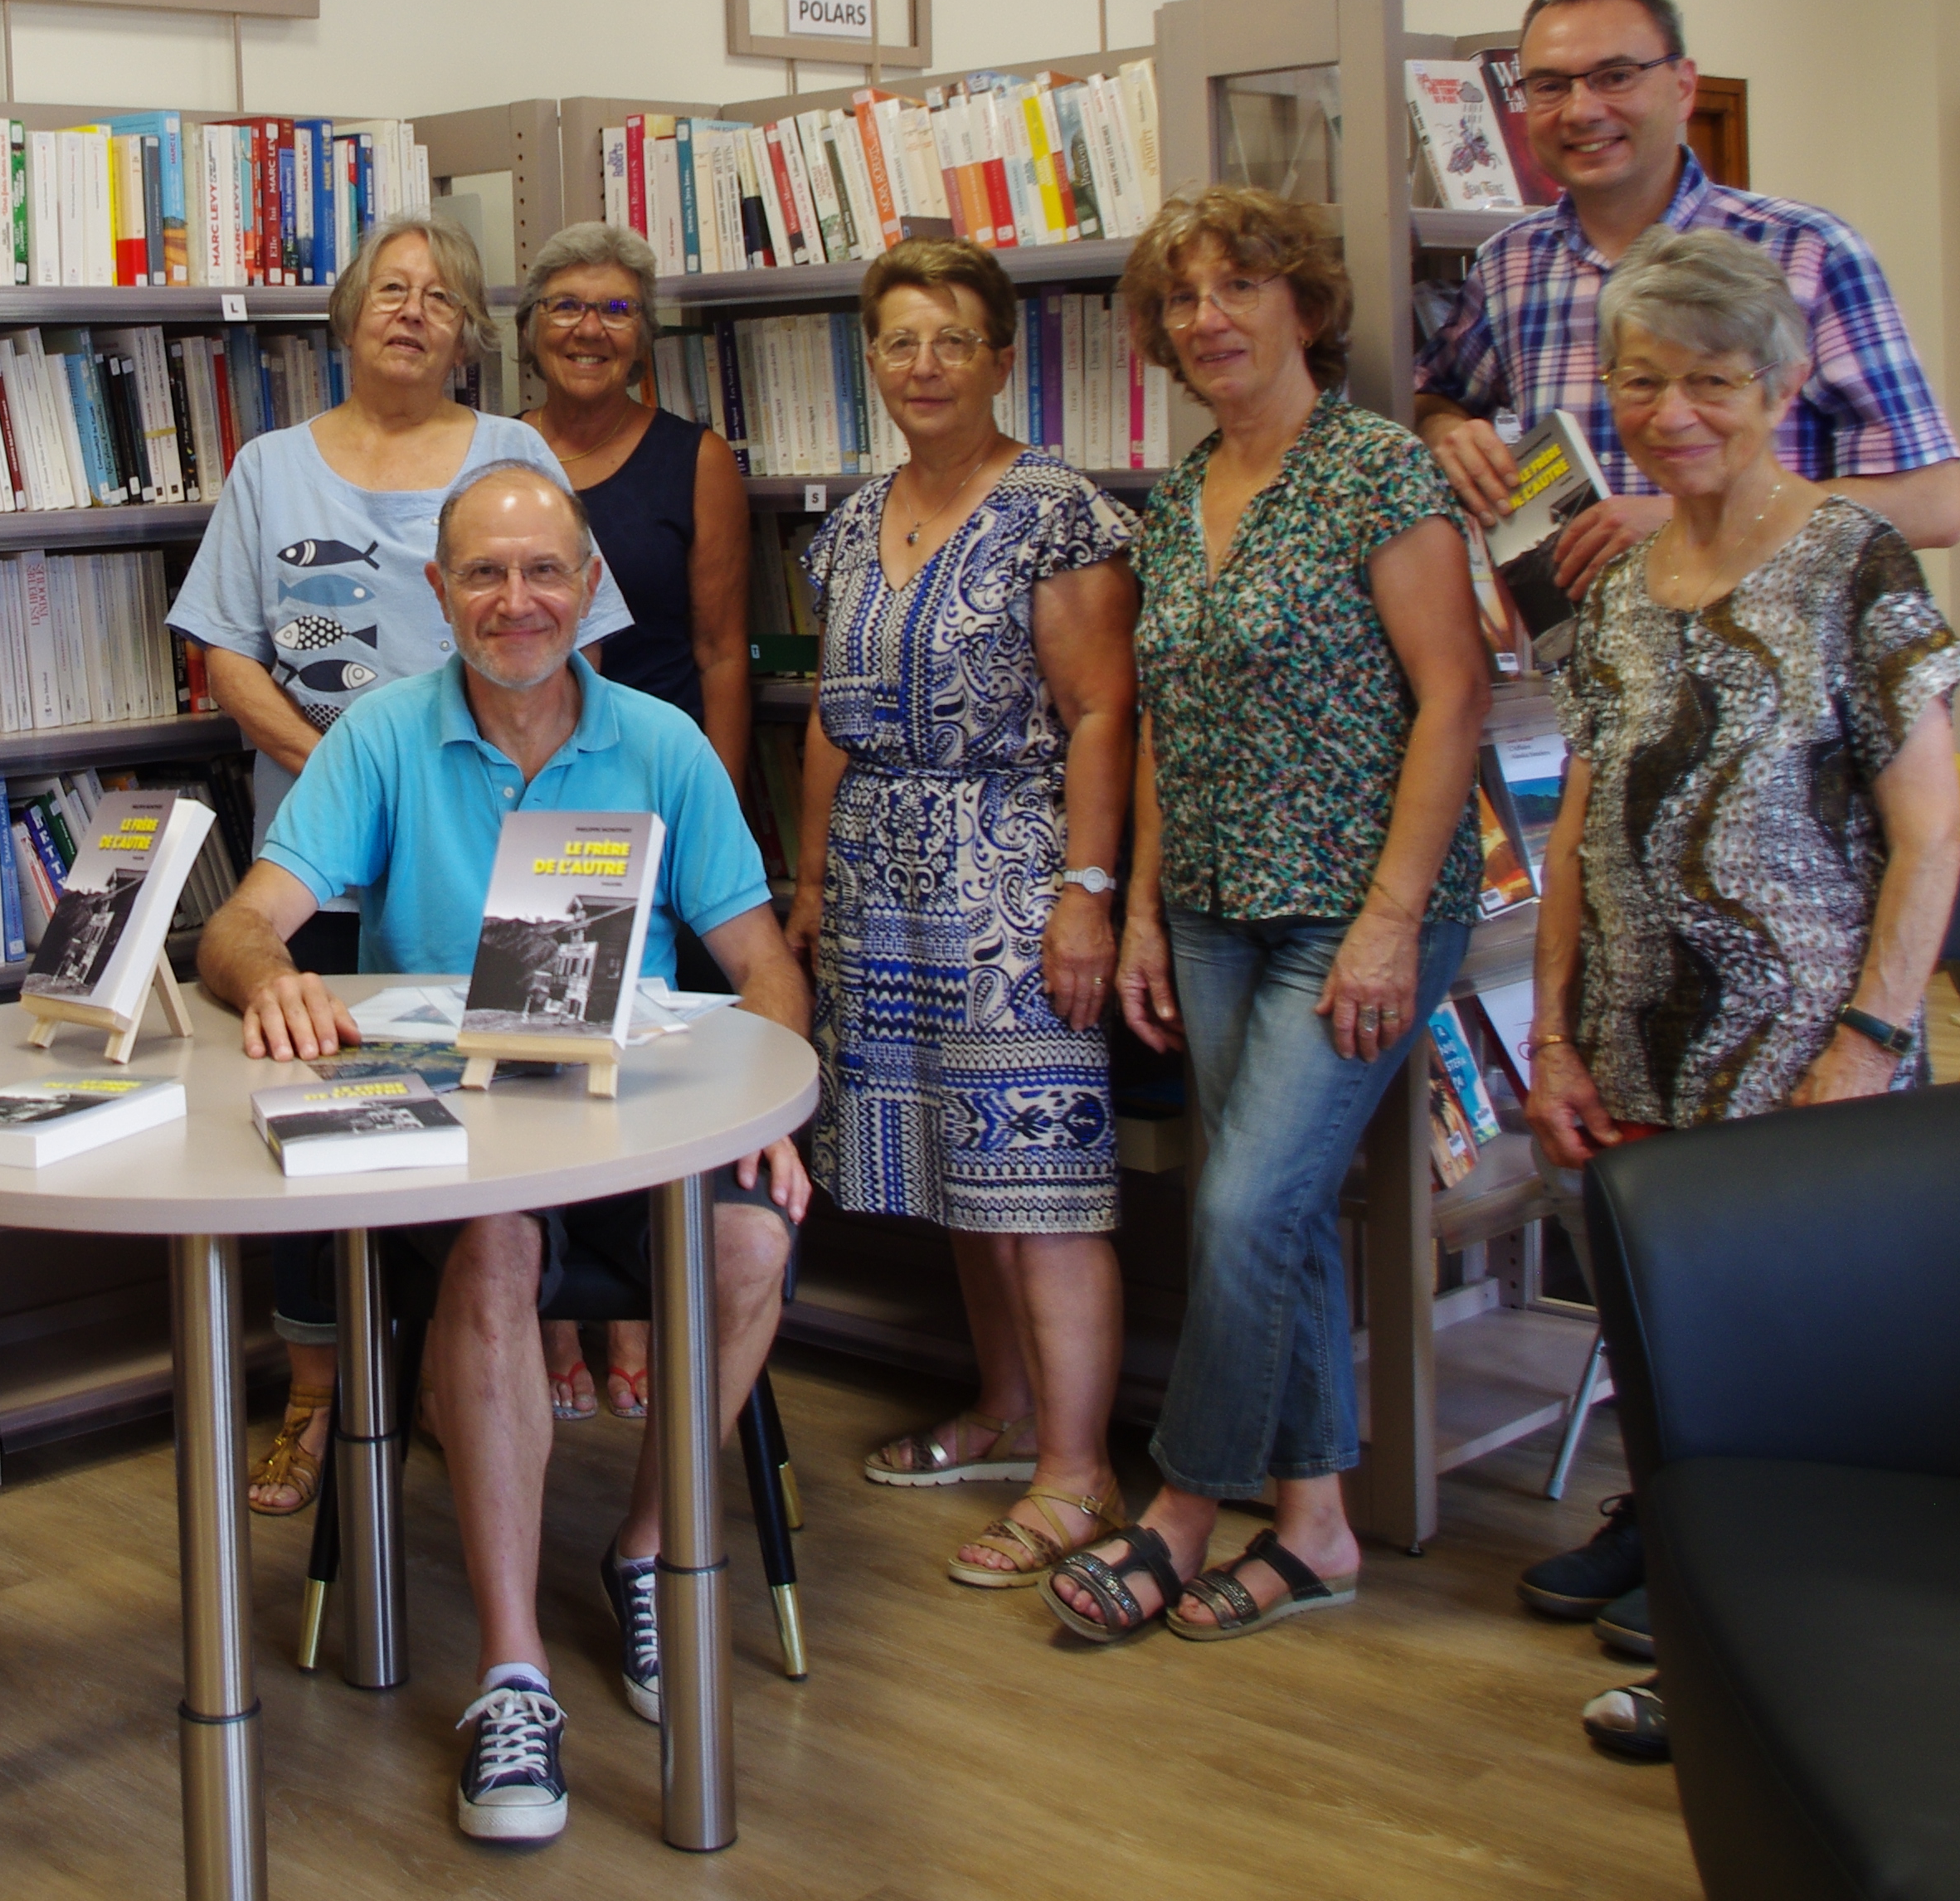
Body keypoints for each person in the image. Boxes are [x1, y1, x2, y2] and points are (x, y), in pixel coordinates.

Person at [192, 465, 806, 1847]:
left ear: (589, 589)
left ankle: (646, 1548)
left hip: (634, 1134)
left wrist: (776, 1117)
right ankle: (513, 1670)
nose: (515, 600)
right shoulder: (377, 738)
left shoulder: (660, 743)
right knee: (499, 1244)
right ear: (437, 593)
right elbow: (240, 925)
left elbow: (764, 968)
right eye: (483, 573)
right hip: (459, 1154)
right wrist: (269, 978)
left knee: (754, 1237)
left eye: (543, 571)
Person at [1513, 230, 1960, 1755]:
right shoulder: (1621, 578)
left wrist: (1868, 1040)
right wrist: (1554, 1026)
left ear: (1776, 387)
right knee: (1652, 1317)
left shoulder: (1852, 558)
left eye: (1709, 380)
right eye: (1641, 381)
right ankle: (1663, 1523)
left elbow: (1928, 829)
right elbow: (1576, 820)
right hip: (1632, 1029)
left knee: (1783, 1345)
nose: (1671, 411)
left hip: (1793, 1041)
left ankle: (1761, 1630)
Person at [1045, 187, 1489, 1651]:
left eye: (1237, 285)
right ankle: (1311, 1525)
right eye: (1181, 297)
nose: (1207, 318)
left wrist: (1387, 919)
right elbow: (1167, 719)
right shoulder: (1172, 498)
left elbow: (1451, 699)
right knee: (1268, 1214)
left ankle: (1181, 1500)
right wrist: (1155, 908)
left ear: (1304, 303)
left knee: (1241, 1202)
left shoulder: (1378, 474)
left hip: (1355, 907)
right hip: (1219, 903)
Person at [167, 212, 630, 1516]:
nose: (412, 310)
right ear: (349, 312)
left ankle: (460, 1371)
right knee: (313, 1134)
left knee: (501, 1119)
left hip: (491, 859)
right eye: (390, 288)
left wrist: (453, 788)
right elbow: (229, 657)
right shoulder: (271, 467)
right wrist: (358, 768)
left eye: (440, 295)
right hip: (317, 871)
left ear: (470, 331)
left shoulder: (515, 455)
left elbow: (568, 641)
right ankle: (316, 1404)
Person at [783, 239, 1139, 1596]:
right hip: (881, 880)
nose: (921, 365)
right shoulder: (855, 514)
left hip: (1007, 870)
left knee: (1037, 1179)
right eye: (896, 341)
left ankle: (1077, 1469)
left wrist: (1085, 894)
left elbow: (1102, 708)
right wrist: (810, 881)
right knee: (955, 1171)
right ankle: (1001, 1414)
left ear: (1000, 357)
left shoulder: (1054, 506)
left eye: (949, 340)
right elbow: (827, 717)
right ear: (868, 360)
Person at [1416, 0, 1960, 598]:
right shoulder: (1510, 265)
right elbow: (1435, 396)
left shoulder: (1807, 251)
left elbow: (1934, 503)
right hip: (1593, 678)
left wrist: (1692, 525)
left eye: (1615, 76)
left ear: (1683, 86)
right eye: (1549, 85)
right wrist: (1448, 433)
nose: (1582, 109)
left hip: (1774, 673)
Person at [514, 216, 752, 1422]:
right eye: (566, 305)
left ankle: (647, 1313)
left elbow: (719, 651)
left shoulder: (694, 458)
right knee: (540, 1055)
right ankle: (562, 1319)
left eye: (613, 308)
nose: (589, 329)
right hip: (523, 798)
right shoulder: (501, 458)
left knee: (648, 1062)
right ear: (530, 328)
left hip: (655, 787)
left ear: (642, 331)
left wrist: (715, 814)